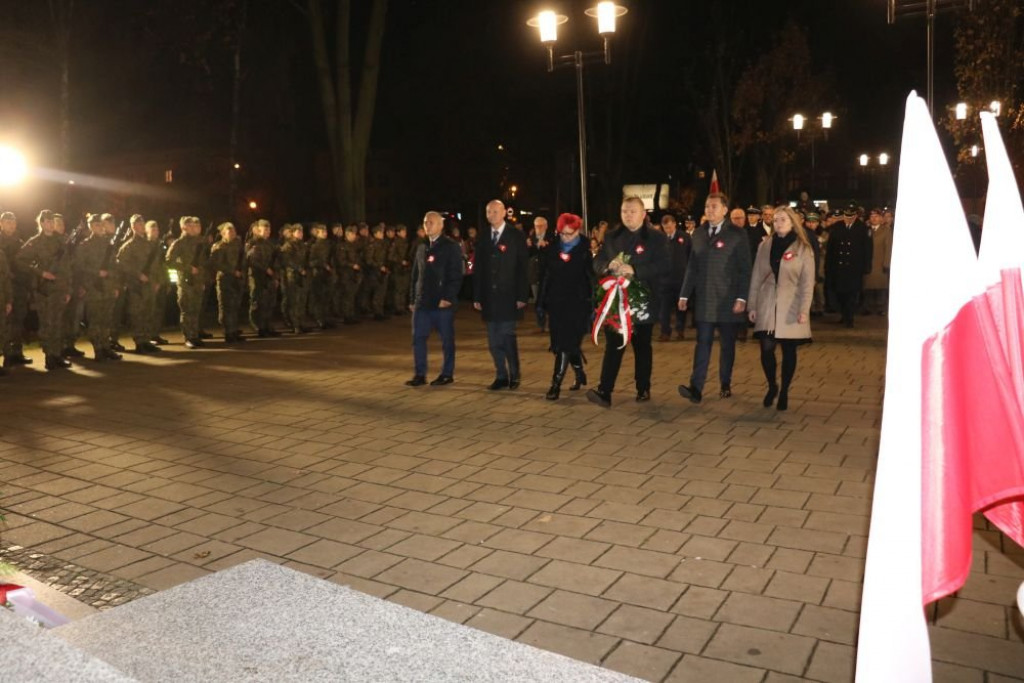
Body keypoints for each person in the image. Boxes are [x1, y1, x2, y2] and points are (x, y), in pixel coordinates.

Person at [587, 196, 670, 407]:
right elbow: (597, 262)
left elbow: (664, 266)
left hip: (643, 300)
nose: (628, 215)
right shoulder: (613, 236)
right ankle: (605, 391)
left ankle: (643, 388)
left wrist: (636, 270)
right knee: (613, 346)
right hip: (617, 301)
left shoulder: (656, 238)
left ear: (643, 214)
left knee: (642, 347)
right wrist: (607, 265)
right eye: (624, 211)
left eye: (633, 211)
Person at [677, 192, 752, 403]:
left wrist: (742, 298)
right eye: (707, 206)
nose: (710, 210)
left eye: (714, 206)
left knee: (727, 344)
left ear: (725, 210)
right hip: (705, 298)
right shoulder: (699, 234)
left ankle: (725, 382)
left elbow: (745, 269)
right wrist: (684, 294)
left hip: (729, 300)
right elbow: (692, 266)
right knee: (703, 343)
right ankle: (696, 387)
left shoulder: (737, 234)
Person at [747, 206, 815, 411]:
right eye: (775, 220)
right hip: (768, 302)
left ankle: (784, 390)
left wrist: (804, 309)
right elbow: (756, 276)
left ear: (793, 222)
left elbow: (807, 282)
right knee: (766, 348)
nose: (778, 223)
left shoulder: (803, 248)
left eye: (783, 219)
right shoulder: (765, 246)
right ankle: (772, 385)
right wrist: (752, 304)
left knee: (788, 350)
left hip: (791, 304)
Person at [473, 199, 529, 390]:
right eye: (489, 212)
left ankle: (515, 374)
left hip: (509, 295)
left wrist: (522, 295)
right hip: (489, 297)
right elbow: (478, 269)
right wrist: (477, 296)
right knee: (493, 340)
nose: (492, 215)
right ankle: (500, 375)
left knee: (507, 336)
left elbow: (523, 267)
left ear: (504, 212)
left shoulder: (515, 235)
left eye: (495, 211)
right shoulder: (483, 237)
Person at [537, 213, 592, 400]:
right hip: (557, 303)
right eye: (564, 234)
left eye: (571, 234)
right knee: (563, 344)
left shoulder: (585, 249)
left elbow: (591, 278)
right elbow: (545, 277)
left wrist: (595, 304)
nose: (567, 238)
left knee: (566, 344)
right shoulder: (552, 249)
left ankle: (555, 384)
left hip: (578, 304)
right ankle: (579, 372)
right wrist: (540, 303)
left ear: (578, 231)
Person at [406, 211, 463, 387]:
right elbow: (416, 274)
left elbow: (456, 274)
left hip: (441, 303)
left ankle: (447, 373)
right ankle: (420, 374)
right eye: (425, 222)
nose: (427, 225)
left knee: (446, 339)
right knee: (418, 338)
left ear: (440, 225)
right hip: (422, 301)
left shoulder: (450, 246)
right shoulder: (422, 246)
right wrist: (412, 299)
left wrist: (448, 297)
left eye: (431, 222)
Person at [17, 210, 72, 370]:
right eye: (46, 221)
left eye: (51, 221)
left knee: (58, 322)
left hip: (60, 288)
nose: (50, 224)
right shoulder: (35, 242)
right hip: (44, 290)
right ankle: (49, 356)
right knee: (47, 323)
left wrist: (68, 288)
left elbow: (67, 267)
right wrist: (40, 272)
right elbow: (20, 261)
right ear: (41, 223)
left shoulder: (61, 241)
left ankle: (56, 354)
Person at [75, 213, 123, 361]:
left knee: (106, 319)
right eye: (96, 225)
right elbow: (79, 266)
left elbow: (115, 266)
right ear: (91, 227)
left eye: (101, 225)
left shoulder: (109, 245)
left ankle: (106, 346)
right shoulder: (85, 245)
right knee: (95, 320)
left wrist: (115, 285)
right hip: (93, 287)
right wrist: (96, 272)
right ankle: (98, 349)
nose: (100, 227)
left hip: (108, 287)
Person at [116, 216, 164, 353]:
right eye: (138, 223)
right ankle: (139, 341)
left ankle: (146, 339)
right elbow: (120, 263)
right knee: (137, 313)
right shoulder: (129, 245)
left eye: (143, 223)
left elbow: (156, 265)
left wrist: (157, 281)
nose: (142, 225)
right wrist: (137, 274)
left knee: (148, 312)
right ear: (133, 227)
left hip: (150, 284)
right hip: (136, 285)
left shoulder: (149, 244)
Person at [824, 202, 872, 327]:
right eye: (846, 216)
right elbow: (831, 248)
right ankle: (844, 314)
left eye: (851, 216)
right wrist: (828, 266)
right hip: (838, 267)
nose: (849, 218)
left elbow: (867, 249)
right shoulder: (837, 227)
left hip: (854, 267)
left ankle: (849, 317)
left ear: (856, 215)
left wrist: (866, 266)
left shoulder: (863, 228)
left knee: (852, 294)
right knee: (840, 293)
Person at [166, 216, 208, 348]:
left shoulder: (198, 242)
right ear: (183, 227)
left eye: (193, 225)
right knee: (187, 310)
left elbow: (203, 262)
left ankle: (194, 335)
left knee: (196, 310)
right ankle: (188, 337)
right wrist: (187, 268)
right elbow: (169, 261)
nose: (192, 227)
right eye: (189, 225)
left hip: (198, 281)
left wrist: (202, 277)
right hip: (185, 281)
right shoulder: (179, 243)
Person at [0, 211, 31, 367]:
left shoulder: (20, 242)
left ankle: (17, 352)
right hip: (3, 286)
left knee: (18, 319)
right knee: (4, 322)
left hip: (18, 286)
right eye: (7, 222)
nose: (10, 226)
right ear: (1, 224)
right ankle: (6, 353)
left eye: (12, 223)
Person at [208, 222, 246, 342]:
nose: (232, 232)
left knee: (235, 306)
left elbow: (243, 260)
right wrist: (232, 271)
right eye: (229, 231)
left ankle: (233, 330)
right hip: (225, 279)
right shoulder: (219, 246)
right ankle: (228, 332)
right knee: (226, 306)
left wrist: (241, 272)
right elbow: (215, 263)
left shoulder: (238, 245)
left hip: (237, 279)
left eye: (233, 230)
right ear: (223, 233)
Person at [658, 213, 691, 342]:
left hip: (681, 279)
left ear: (674, 224)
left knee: (681, 307)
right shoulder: (660, 239)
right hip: (664, 280)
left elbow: (690, 256)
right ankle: (665, 331)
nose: (668, 230)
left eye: (670, 227)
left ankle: (680, 330)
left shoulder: (685, 237)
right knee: (664, 309)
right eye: (665, 228)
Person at [862, 208, 892, 315]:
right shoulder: (866, 230)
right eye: (872, 217)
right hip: (868, 263)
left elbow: (888, 248)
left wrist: (886, 263)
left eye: (876, 217)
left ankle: (881, 307)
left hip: (880, 263)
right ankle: (868, 307)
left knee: (881, 287)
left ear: (881, 218)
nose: (874, 219)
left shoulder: (886, 231)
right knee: (868, 287)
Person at [527, 216, 551, 333]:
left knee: (548, 299)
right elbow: (527, 255)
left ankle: (549, 323)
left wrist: (546, 246)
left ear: (546, 226)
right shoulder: (530, 239)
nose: (539, 228)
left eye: (541, 226)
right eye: (537, 226)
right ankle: (540, 323)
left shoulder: (551, 238)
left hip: (547, 274)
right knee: (537, 299)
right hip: (534, 274)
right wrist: (530, 246)